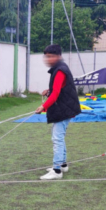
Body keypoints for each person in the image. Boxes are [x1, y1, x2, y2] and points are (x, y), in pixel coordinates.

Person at [36, 44, 81, 180]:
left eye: (51, 56)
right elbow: (58, 89)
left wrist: (43, 106)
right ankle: (63, 165)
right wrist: (48, 91)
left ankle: (57, 171)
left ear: (58, 57)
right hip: (65, 108)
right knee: (59, 137)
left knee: (57, 139)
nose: (47, 59)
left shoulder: (60, 70)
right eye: (46, 57)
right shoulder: (59, 69)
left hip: (64, 109)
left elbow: (56, 94)